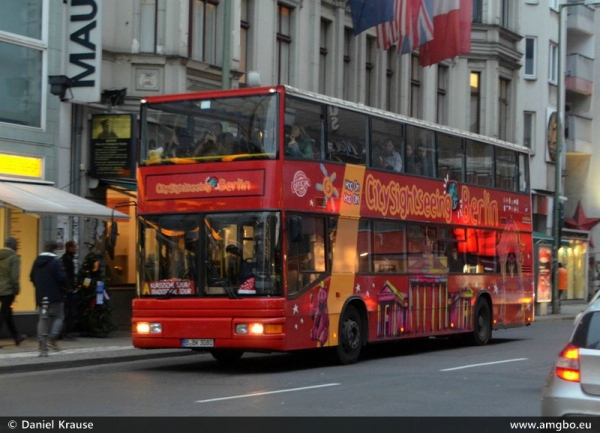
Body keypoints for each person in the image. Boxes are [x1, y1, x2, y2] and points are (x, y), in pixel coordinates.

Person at [30, 241, 68, 355]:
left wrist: (39, 287)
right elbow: (62, 278)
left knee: (43, 318)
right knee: (59, 316)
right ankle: (52, 337)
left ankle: (41, 342)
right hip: (56, 295)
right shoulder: (56, 262)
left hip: (41, 295)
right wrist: (64, 289)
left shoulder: (37, 261)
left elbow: (32, 277)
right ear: (54, 250)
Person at [0, 237, 24, 348]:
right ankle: (16, 336)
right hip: (7, 290)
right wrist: (16, 290)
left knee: (7, 313)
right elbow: (14, 277)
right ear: (14, 246)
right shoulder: (14, 258)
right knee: (4, 315)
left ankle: (16, 336)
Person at [61, 241, 78, 340]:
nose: (76, 249)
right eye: (74, 247)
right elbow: (68, 276)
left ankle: (66, 332)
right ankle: (67, 333)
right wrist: (70, 288)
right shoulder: (67, 260)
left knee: (68, 312)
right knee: (70, 312)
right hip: (68, 290)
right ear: (70, 248)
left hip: (67, 289)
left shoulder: (67, 258)